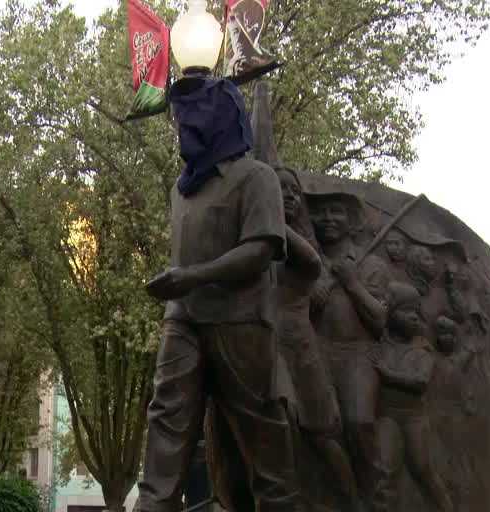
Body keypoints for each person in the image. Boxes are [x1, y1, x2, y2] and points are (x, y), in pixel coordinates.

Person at [135, 77, 299, 512]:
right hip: (184, 318)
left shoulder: (256, 179)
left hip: (241, 322)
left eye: (187, 122)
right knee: (165, 427)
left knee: (265, 445)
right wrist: (181, 286)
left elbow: (262, 248)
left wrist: (192, 276)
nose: (180, 132)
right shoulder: (181, 189)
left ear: (214, 122)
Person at [274, 168, 359, 507]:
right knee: (281, 421)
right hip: (266, 344)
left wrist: (320, 290)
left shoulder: (309, 245)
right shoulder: (252, 236)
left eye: (294, 191)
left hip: (300, 342)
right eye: (280, 190)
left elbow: (315, 277)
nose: (290, 196)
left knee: (322, 432)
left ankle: (352, 500)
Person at [308, 192, 390, 512]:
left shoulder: (372, 265)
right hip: (316, 352)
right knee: (319, 428)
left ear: (351, 220)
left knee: (358, 422)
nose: (328, 218)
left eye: (336, 211)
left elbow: (379, 321)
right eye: (321, 212)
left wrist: (352, 282)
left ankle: (377, 498)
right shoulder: (310, 261)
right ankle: (344, 499)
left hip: (358, 354)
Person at [371, 282, 454, 511]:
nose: (414, 317)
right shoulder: (380, 342)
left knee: (422, 469)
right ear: (391, 313)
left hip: (413, 418)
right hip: (387, 416)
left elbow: (420, 382)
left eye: (417, 312)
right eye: (407, 311)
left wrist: (388, 374)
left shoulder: (422, 347)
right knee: (383, 473)